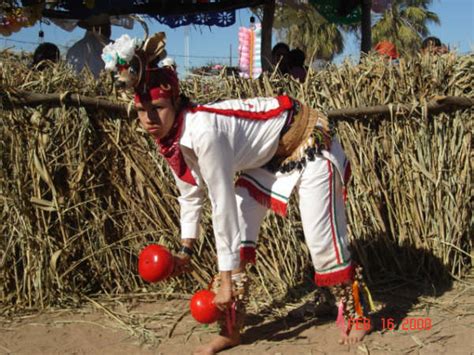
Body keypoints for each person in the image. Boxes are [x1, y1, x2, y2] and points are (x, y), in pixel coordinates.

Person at [105, 33, 374, 354]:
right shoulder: (170, 138)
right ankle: (231, 328)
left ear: (176, 103)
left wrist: (226, 278)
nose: (150, 118)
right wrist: (185, 252)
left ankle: (356, 311)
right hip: (269, 155)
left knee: (320, 238)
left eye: (158, 108)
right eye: (142, 110)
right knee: (242, 227)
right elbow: (190, 194)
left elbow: (221, 208)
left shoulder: (203, 132)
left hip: (307, 137)